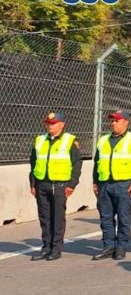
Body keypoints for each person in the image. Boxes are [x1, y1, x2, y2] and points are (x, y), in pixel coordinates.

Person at [91, 111, 131, 261]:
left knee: (123, 216)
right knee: (106, 217)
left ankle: (121, 246)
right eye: (112, 121)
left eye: (117, 121)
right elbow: (97, 162)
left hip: (124, 184)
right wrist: (95, 181)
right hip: (105, 183)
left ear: (126, 122)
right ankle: (108, 245)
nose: (113, 123)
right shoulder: (103, 140)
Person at [29, 112, 81, 261]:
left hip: (59, 184)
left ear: (62, 125)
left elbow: (77, 164)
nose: (50, 126)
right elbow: (33, 163)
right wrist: (33, 183)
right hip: (42, 183)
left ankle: (56, 248)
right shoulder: (39, 140)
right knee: (44, 217)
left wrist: (72, 184)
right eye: (48, 123)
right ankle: (46, 247)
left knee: (57, 217)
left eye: (53, 123)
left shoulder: (70, 141)